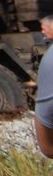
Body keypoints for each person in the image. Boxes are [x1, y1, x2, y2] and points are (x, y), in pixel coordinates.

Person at [35, 14, 53, 159]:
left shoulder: (50, 60)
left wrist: (48, 149)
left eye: (44, 28)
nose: (42, 32)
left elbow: (46, 108)